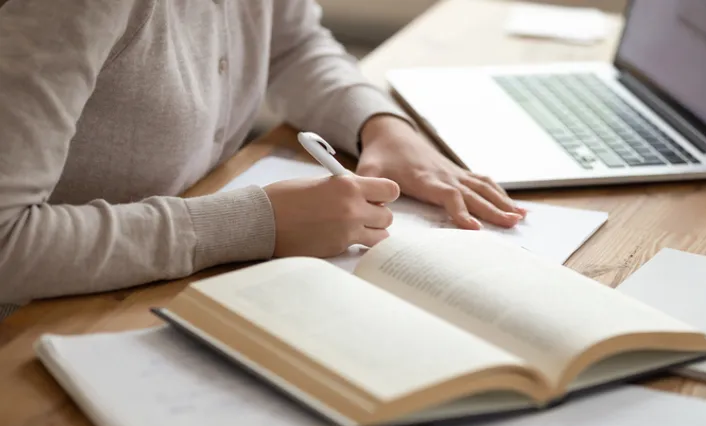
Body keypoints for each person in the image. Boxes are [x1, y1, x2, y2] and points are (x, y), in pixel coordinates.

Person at [0, 0, 526, 317]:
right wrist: (255, 223)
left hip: (154, 286)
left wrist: (380, 124)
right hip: (37, 323)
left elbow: (292, 45)